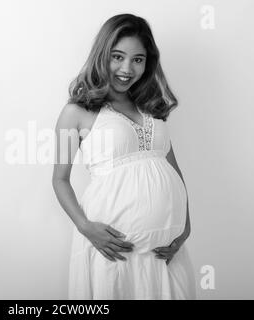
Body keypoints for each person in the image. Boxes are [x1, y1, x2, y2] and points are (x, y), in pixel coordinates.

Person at [51, 13, 197, 299]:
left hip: (165, 252)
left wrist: (186, 226)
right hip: (113, 251)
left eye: (137, 59)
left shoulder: (153, 107)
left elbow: (173, 170)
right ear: (102, 55)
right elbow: (60, 179)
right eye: (117, 57)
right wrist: (86, 228)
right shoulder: (76, 112)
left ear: (148, 62)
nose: (126, 69)